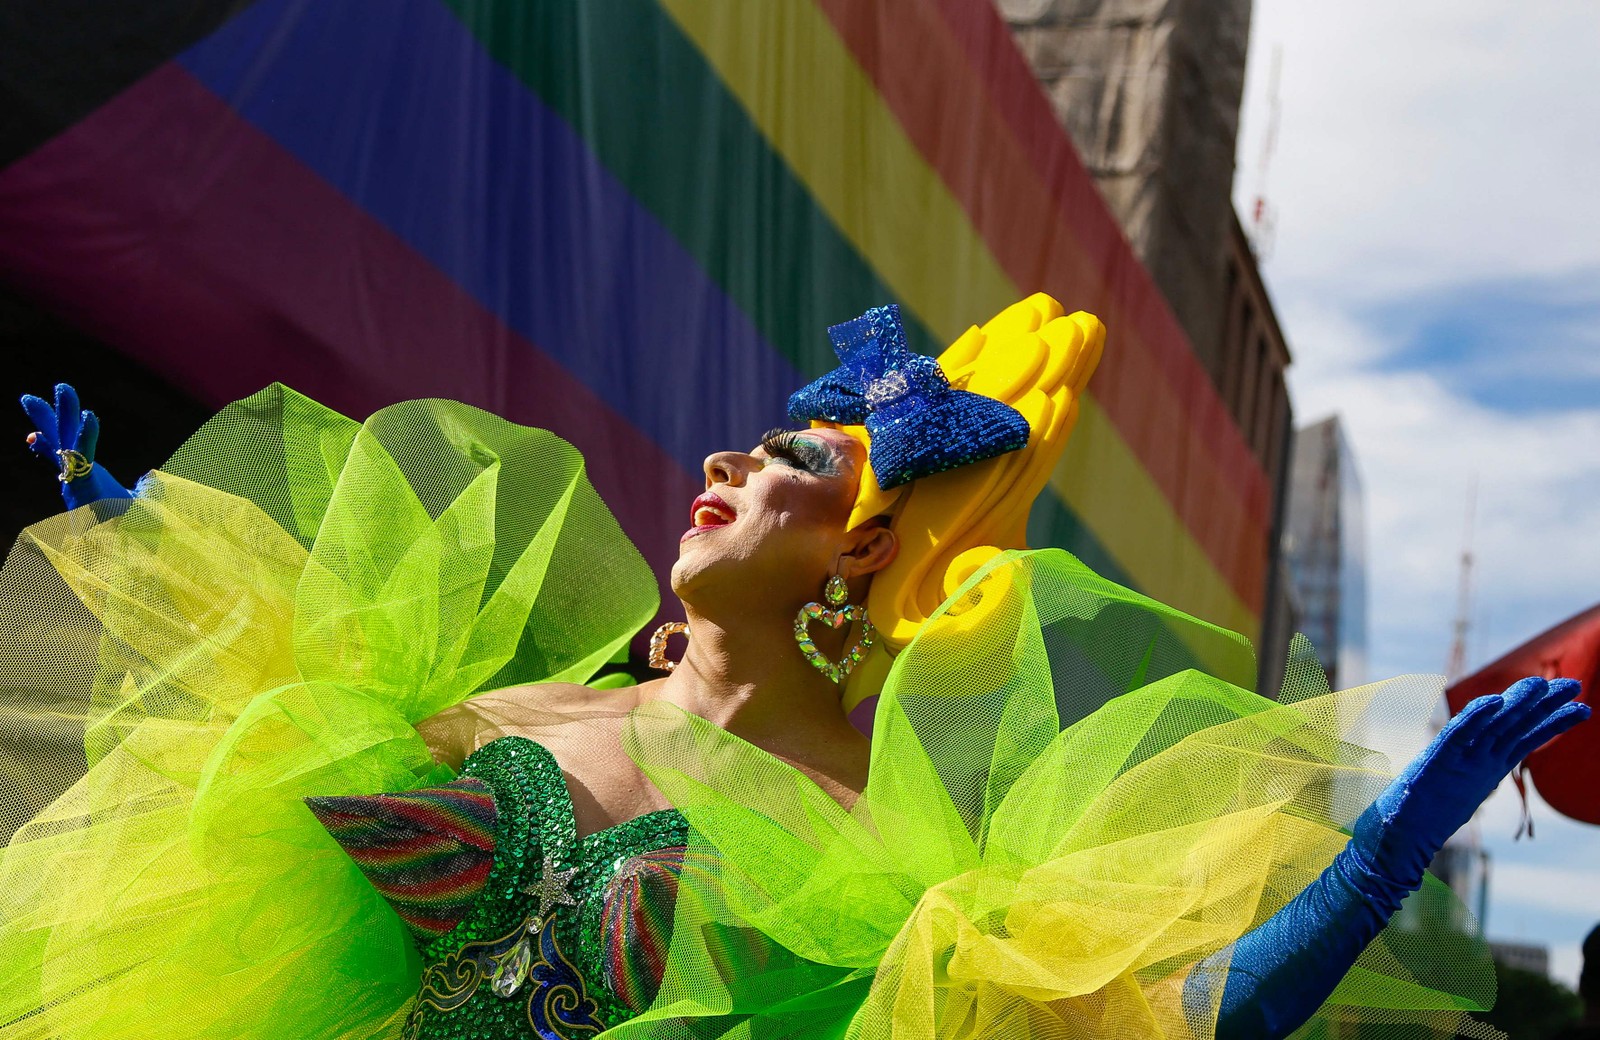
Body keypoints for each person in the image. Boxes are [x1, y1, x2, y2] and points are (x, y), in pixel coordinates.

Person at [0, 295, 1588, 1040]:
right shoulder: (518, 707)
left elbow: (1151, 1025)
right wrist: (146, 536)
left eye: (785, 461)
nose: (718, 456)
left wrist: (1366, 876)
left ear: (864, 554)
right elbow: (270, 729)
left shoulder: (895, 850)